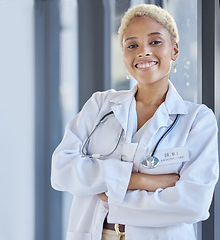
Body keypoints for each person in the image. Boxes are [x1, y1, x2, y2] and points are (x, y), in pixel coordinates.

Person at [51, 4, 219, 240]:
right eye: (132, 45)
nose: (143, 51)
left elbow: (193, 203)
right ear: (124, 56)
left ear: (175, 50)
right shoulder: (101, 105)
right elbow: (62, 171)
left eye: (155, 42)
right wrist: (141, 181)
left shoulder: (197, 120)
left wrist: (112, 194)